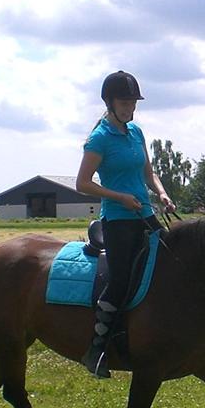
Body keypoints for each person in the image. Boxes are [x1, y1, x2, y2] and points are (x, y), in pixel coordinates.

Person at [76, 70, 176, 378]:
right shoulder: (99, 139)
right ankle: (97, 349)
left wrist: (162, 194)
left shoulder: (136, 134)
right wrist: (119, 197)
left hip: (145, 214)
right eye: (124, 102)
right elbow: (83, 183)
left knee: (172, 265)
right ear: (109, 102)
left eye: (133, 102)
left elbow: (149, 173)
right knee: (120, 281)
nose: (129, 108)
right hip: (118, 220)